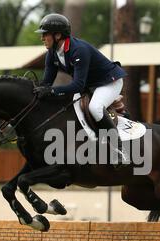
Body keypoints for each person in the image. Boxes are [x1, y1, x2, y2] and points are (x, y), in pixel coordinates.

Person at [33, 13, 129, 166]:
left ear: (57, 35)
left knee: (95, 108)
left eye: (45, 35)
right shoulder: (51, 53)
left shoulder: (79, 50)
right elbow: (46, 83)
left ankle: (120, 150)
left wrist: (51, 91)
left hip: (109, 82)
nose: (42, 38)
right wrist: (37, 91)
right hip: (89, 85)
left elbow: (77, 85)